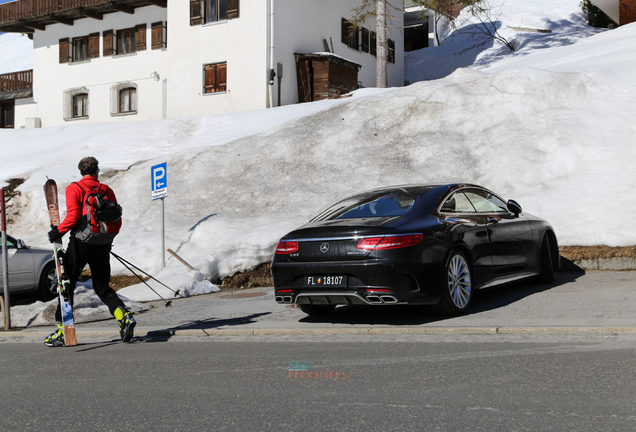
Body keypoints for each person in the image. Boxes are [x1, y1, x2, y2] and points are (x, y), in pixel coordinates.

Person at [44, 156, 135, 346]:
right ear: (97, 171)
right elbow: (116, 218)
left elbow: (74, 215)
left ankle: (63, 330)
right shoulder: (106, 190)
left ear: (81, 171)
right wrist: (108, 238)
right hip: (103, 243)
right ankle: (124, 316)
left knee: (67, 284)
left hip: (81, 243)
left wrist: (57, 232)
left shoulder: (74, 188)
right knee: (102, 286)